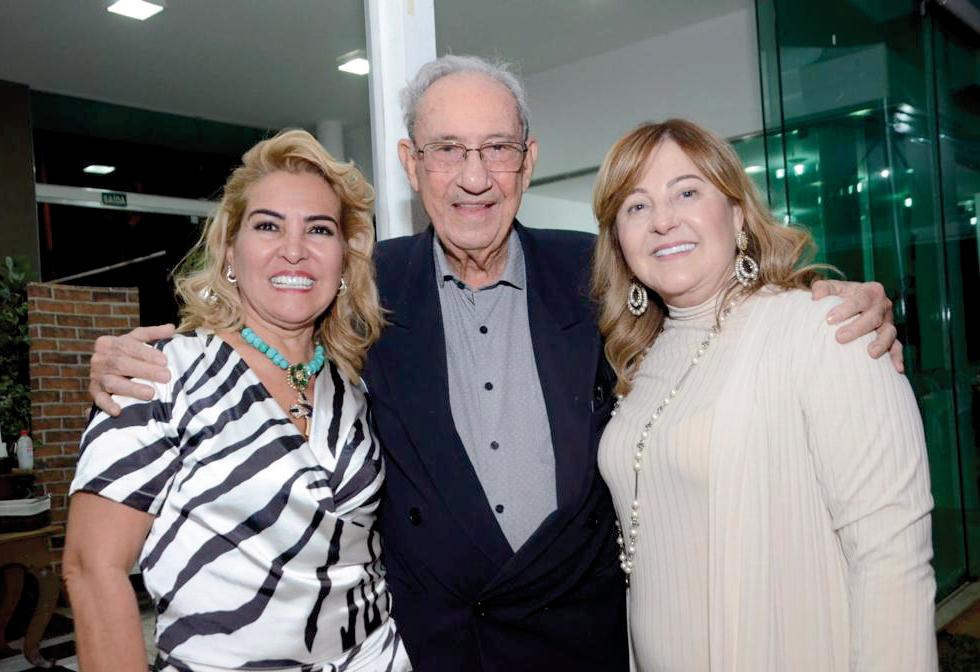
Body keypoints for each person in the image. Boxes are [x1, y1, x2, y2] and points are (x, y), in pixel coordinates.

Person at [86, 57, 899, 670]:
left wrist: (828, 300)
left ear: (528, 159)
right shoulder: (364, 288)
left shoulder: (602, 272)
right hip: (430, 651)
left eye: (495, 149)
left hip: (580, 646)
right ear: (411, 165)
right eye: (446, 151)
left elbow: (706, 308)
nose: (473, 178)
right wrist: (133, 353)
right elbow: (270, 313)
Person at [591, 118, 937, 671]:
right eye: (635, 206)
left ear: (736, 212)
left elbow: (892, 557)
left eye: (686, 191)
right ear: (618, 239)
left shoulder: (826, 328)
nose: (661, 220)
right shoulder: (640, 360)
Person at [63, 130, 411, 672]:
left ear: (344, 260)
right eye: (268, 225)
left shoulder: (354, 385)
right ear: (230, 251)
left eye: (318, 229)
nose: (293, 248)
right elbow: (91, 566)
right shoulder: (158, 372)